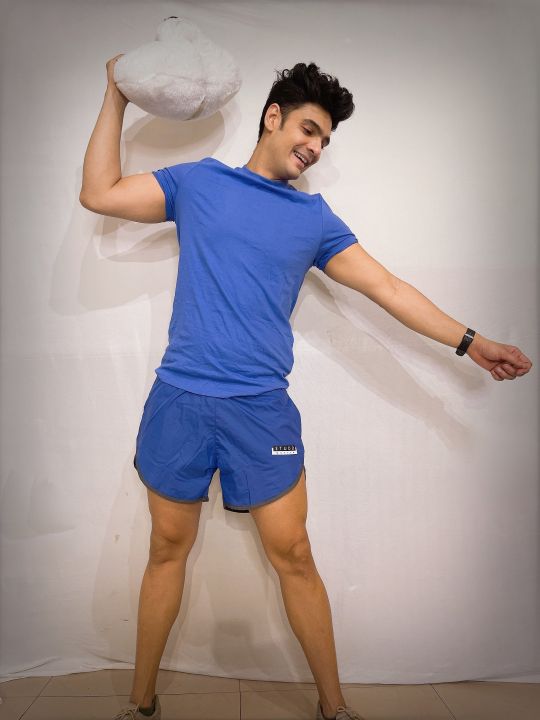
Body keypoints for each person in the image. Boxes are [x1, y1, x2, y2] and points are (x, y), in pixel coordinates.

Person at [79, 56, 533, 720]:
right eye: (310, 130)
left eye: (324, 141)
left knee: (294, 553)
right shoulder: (199, 183)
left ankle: (334, 708)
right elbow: (99, 194)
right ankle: (140, 703)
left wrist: (472, 342)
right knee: (165, 549)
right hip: (180, 400)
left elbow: (388, 288)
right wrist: (116, 94)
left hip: (261, 410)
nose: (316, 148)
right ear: (274, 117)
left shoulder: (313, 218)